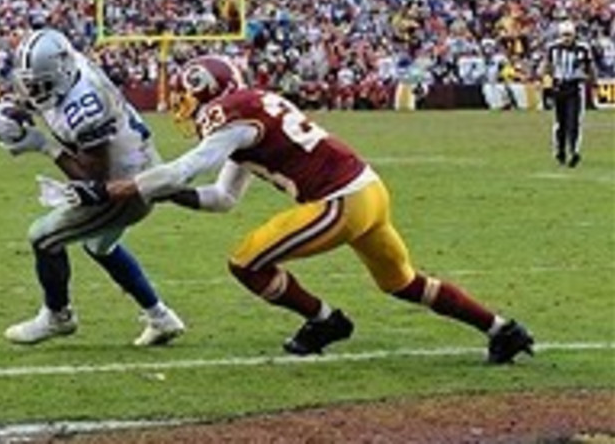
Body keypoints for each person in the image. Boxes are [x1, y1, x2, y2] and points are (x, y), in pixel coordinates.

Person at [64, 54, 535, 364]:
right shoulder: (251, 111)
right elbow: (223, 198)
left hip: (339, 201)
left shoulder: (229, 116)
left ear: (210, 92)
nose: (186, 108)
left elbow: (187, 169)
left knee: (246, 262)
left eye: (191, 96)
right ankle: (501, 329)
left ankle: (325, 320)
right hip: (368, 190)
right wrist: (164, 193)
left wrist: (123, 188)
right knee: (403, 282)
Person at [0, 27, 185, 347]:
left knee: (44, 237)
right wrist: (13, 113)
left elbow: (93, 178)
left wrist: (43, 146)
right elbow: (46, 99)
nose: (32, 89)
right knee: (99, 246)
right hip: (141, 166)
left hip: (124, 186)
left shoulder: (86, 106)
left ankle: (58, 316)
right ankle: (160, 317)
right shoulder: (72, 70)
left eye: (40, 83)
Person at [540, 20, 597, 167]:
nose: (566, 38)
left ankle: (574, 152)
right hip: (559, 87)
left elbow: (590, 67)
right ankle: (560, 151)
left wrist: (593, 82)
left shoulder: (583, 48)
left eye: (569, 35)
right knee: (560, 123)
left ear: (574, 34)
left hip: (575, 88)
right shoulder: (553, 48)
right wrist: (547, 87)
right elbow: (547, 68)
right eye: (564, 35)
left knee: (574, 122)